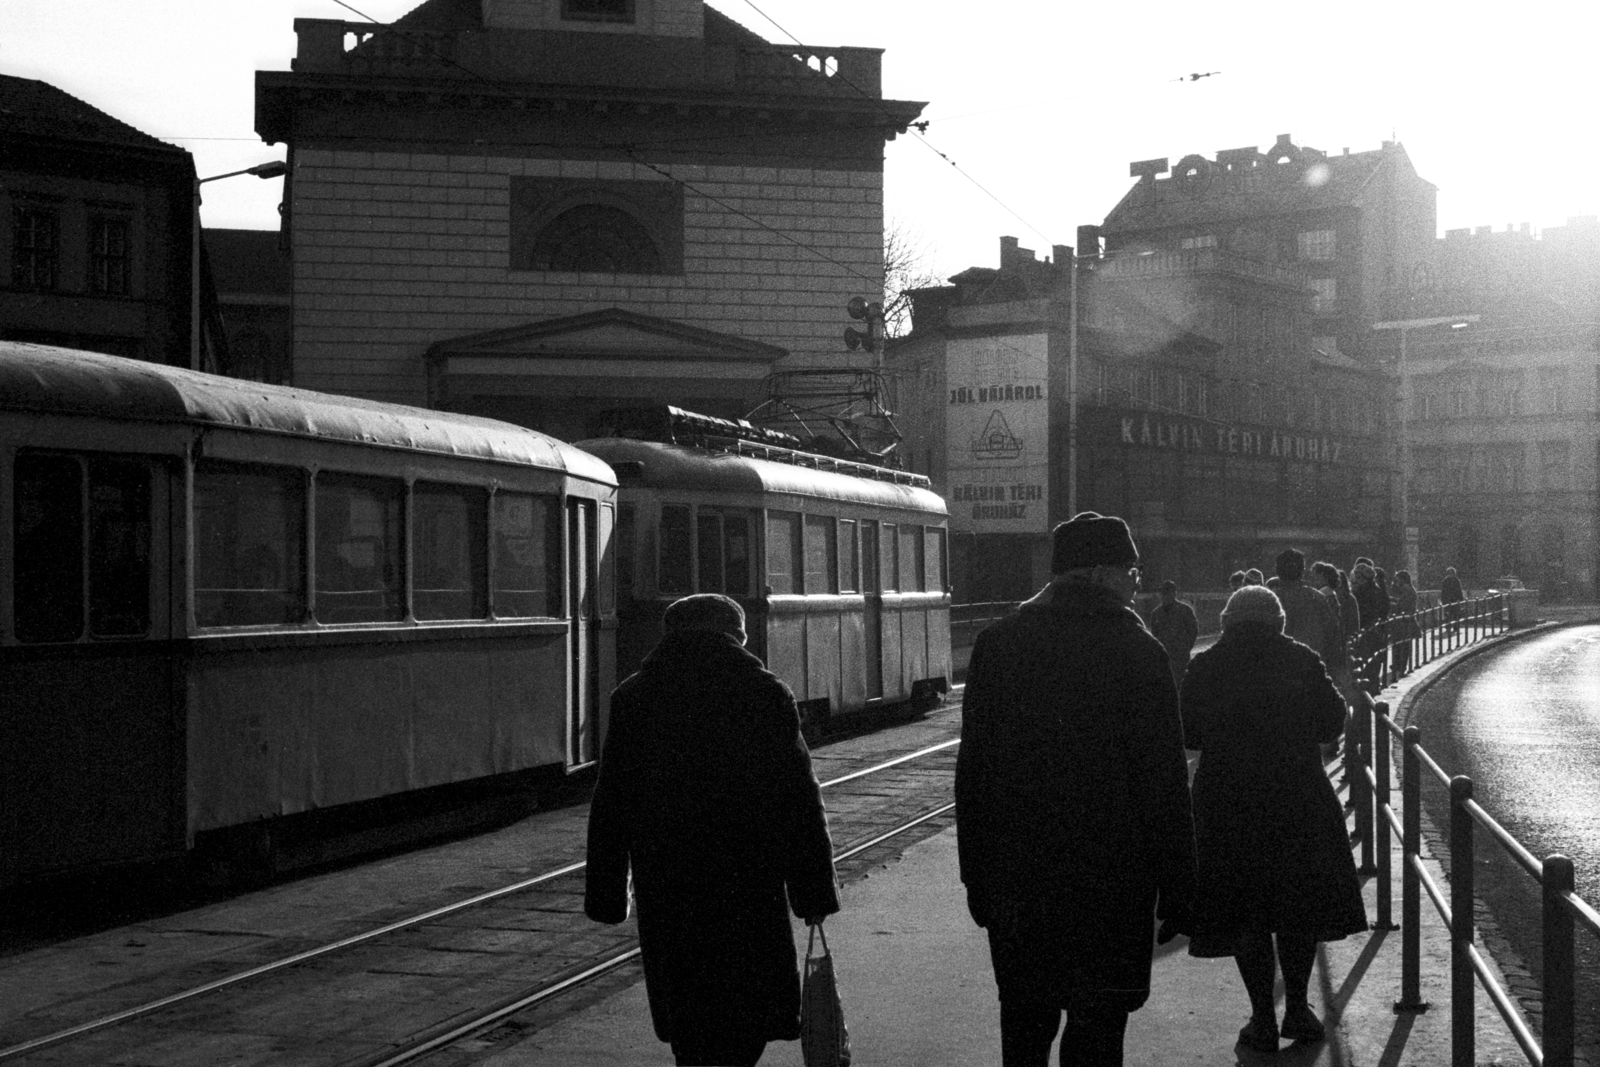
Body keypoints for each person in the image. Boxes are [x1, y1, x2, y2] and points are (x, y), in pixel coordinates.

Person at [957, 512, 1196, 1067]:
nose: (1138, 583)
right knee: (1098, 1028)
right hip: (1113, 879)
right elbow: (1164, 781)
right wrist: (1180, 884)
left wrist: (977, 875)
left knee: (1024, 1022)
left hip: (1019, 877)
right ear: (1102, 573)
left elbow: (975, 772)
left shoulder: (998, 643)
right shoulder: (1139, 652)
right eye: (1131, 571)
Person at [584, 593, 839, 1067]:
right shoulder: (765, 693)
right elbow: (799, 803)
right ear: (736, 636)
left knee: (691, 1029)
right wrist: (814, 895)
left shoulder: (634, 698)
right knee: (744, 1023)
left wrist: (606, 896)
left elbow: (612, 805)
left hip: (671, 894)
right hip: (746, 891)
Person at [1179, 586, 1369, 1053]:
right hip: (1296, 795)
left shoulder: (1205, 664)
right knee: (1297, 907)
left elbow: (1190, 733)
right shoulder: (1301, 659)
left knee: (1247, 910)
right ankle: (1298, 1008)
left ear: (1227, 621)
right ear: (1277, 621)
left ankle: (1261, 1016)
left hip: (1227, 800)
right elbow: (1330, 722)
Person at [1269, 549, 1343, 672]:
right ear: (1302, 571)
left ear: (1277, 570)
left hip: (1278, 668)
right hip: (1311, 665)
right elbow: (1333, 634)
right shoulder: (1317, 598)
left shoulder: (1268, 600)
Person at [1149, 579, 1200, 686]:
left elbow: (1193, 630)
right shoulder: (1156, 614)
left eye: (1168, 593)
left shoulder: (1185, 610)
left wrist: (1186, 647)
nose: (1165, 596)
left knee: (1181, 683)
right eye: (1163, 594)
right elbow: (1154, 634)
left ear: (1174, 594)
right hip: (1164, 656)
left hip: (1180, 656)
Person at [1391, 570, 1420, 675]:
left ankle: (1401, 665)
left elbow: (1403, 605)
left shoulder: (1407, 590)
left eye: (1398, 579)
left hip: (1405, 621)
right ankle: (1399, 664)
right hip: (1406, 620)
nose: (1397, 581)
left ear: (1403, 579)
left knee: (1402, 644)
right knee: (1402, 643)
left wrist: (1393, 604)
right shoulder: (1410, 590)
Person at [1440, 566, 1465, 634]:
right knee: (1455, 614)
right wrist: (1461, 600)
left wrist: (1443, 600)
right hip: (1454, 600)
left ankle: (1448, 627)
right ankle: (1455, 627)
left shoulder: (1445, 581)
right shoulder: (1456, 580)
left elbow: (1443, 592)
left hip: (1448, 600)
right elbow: (1459, 591)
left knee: (1449, 614)